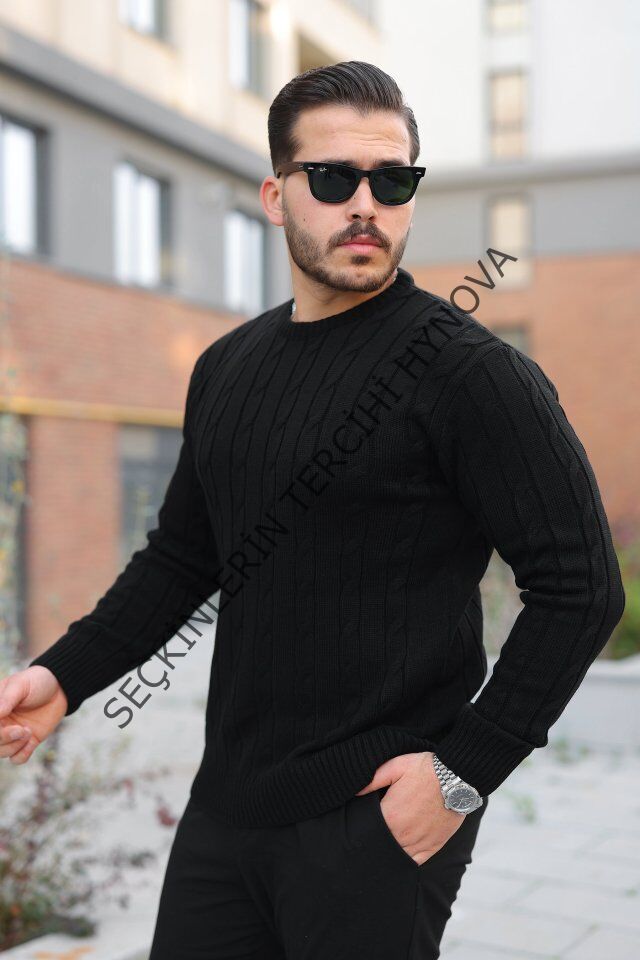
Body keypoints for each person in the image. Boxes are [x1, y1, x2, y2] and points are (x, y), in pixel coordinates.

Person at [0, 61, 625, 959]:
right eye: (333, 179)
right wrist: (64, 678)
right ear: (275, 195)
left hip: (374, 820)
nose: (365, 205)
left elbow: (582, 588)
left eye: (392, 182)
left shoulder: (472, 375)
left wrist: (461, 776)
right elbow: (184, 558)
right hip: (227, 805)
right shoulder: (227, 367)